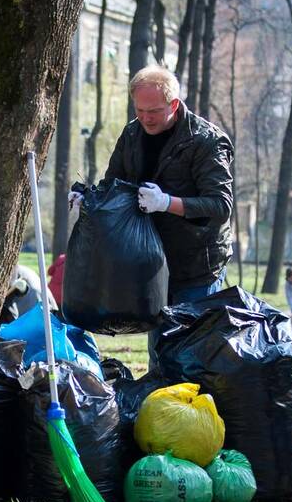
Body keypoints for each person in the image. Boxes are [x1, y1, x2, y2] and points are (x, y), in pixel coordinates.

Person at [68, 64, 233, 366]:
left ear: (173, 104)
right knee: (160, 353)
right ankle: (165, 409)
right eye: (139, 110)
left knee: (190, 355)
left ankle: (197, 411)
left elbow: (220, 206)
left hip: (197, 265)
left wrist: (167, 202)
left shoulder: (206, 141)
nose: (145, 118)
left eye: (153, 111)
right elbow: (112, 188)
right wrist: (86, 199)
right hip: (152, 265)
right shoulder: (132, 134)